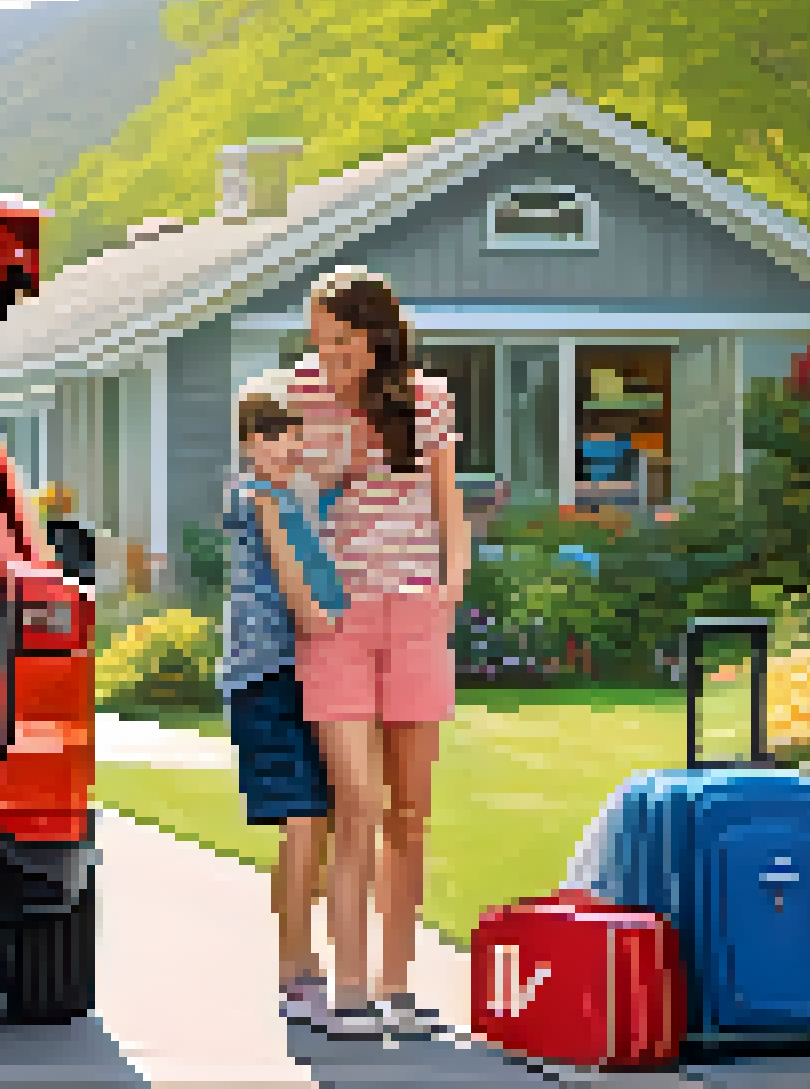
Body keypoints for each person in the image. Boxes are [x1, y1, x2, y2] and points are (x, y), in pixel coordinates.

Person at [281, 267, 467, 1040]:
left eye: (340, 342)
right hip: (338, 623)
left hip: (415, 617)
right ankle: (348, 989)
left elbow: (447, 501)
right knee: (355, 803)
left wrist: (451, 587)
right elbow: (290, 496)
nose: (326, 356)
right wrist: (339, 452)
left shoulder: (428, 399)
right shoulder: (302, 392)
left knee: (409, 815)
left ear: (375, 337)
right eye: (319, 342)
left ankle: (397, 986)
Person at [222, 390, 346, 1028]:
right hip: (264, 677)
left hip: (297, 675)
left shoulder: (289, 499)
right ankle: (297, 974)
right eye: (270, 436)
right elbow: (292, 580)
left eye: (293, 434)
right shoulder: (255, 498)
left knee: (312, 822)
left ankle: (299, 965)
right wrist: (322, 619)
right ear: (248, 445)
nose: (285, 446)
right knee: (304, 817)